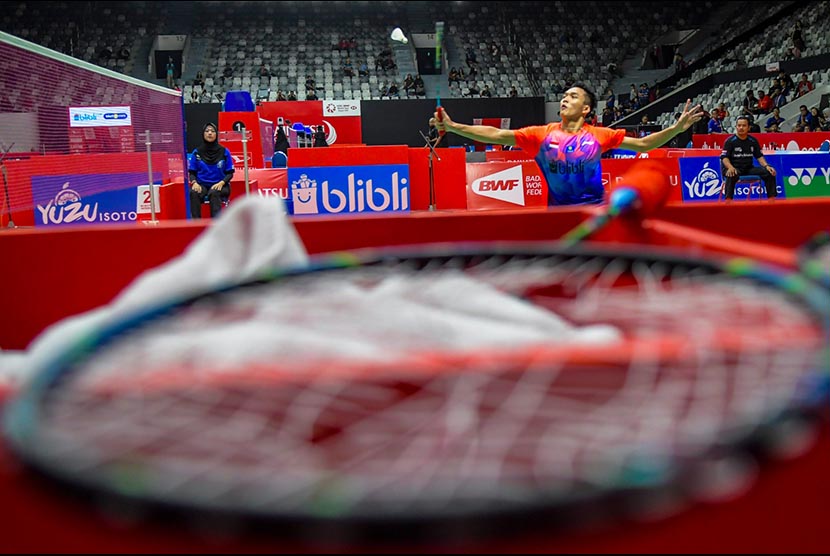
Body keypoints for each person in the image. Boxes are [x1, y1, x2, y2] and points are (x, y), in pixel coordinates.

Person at [432, 82, 703, 206]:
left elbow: (644, 145)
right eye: (564, 96)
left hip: (597, 211)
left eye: (572, 96)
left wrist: (676, 128)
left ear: (586, 109)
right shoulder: (541, 135)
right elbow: (495, 135)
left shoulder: (600, 135)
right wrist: (455, 127)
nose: (564, 99)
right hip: (558, 216)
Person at [720, 115, 777, 202]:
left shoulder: (753, 141)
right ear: (736, 127)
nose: (741, 128)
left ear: (748, 127)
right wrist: (730, 167)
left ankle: (772, 199)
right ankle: (728, 201)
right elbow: (724, 158)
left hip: (748, 168)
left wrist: (766, 166)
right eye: (739, 125)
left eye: (743, 126)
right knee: (731, 174)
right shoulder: (730, 141)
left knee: (769, 172)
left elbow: (759, 156)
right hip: (733, 168)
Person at [188, 123, 234, 219]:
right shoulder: (196, 152)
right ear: (203, 134)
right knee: (193, 193)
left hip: (221, 185)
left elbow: (230, 173)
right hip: (202, 185)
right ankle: (196, 225)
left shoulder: (224, 151)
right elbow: (192, 172)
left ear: (216, 134)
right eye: (207, 131)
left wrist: (221, 183)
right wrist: (194, 183)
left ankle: (216, 225)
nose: (210, 133)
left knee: (214, 193)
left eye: (212, 131)